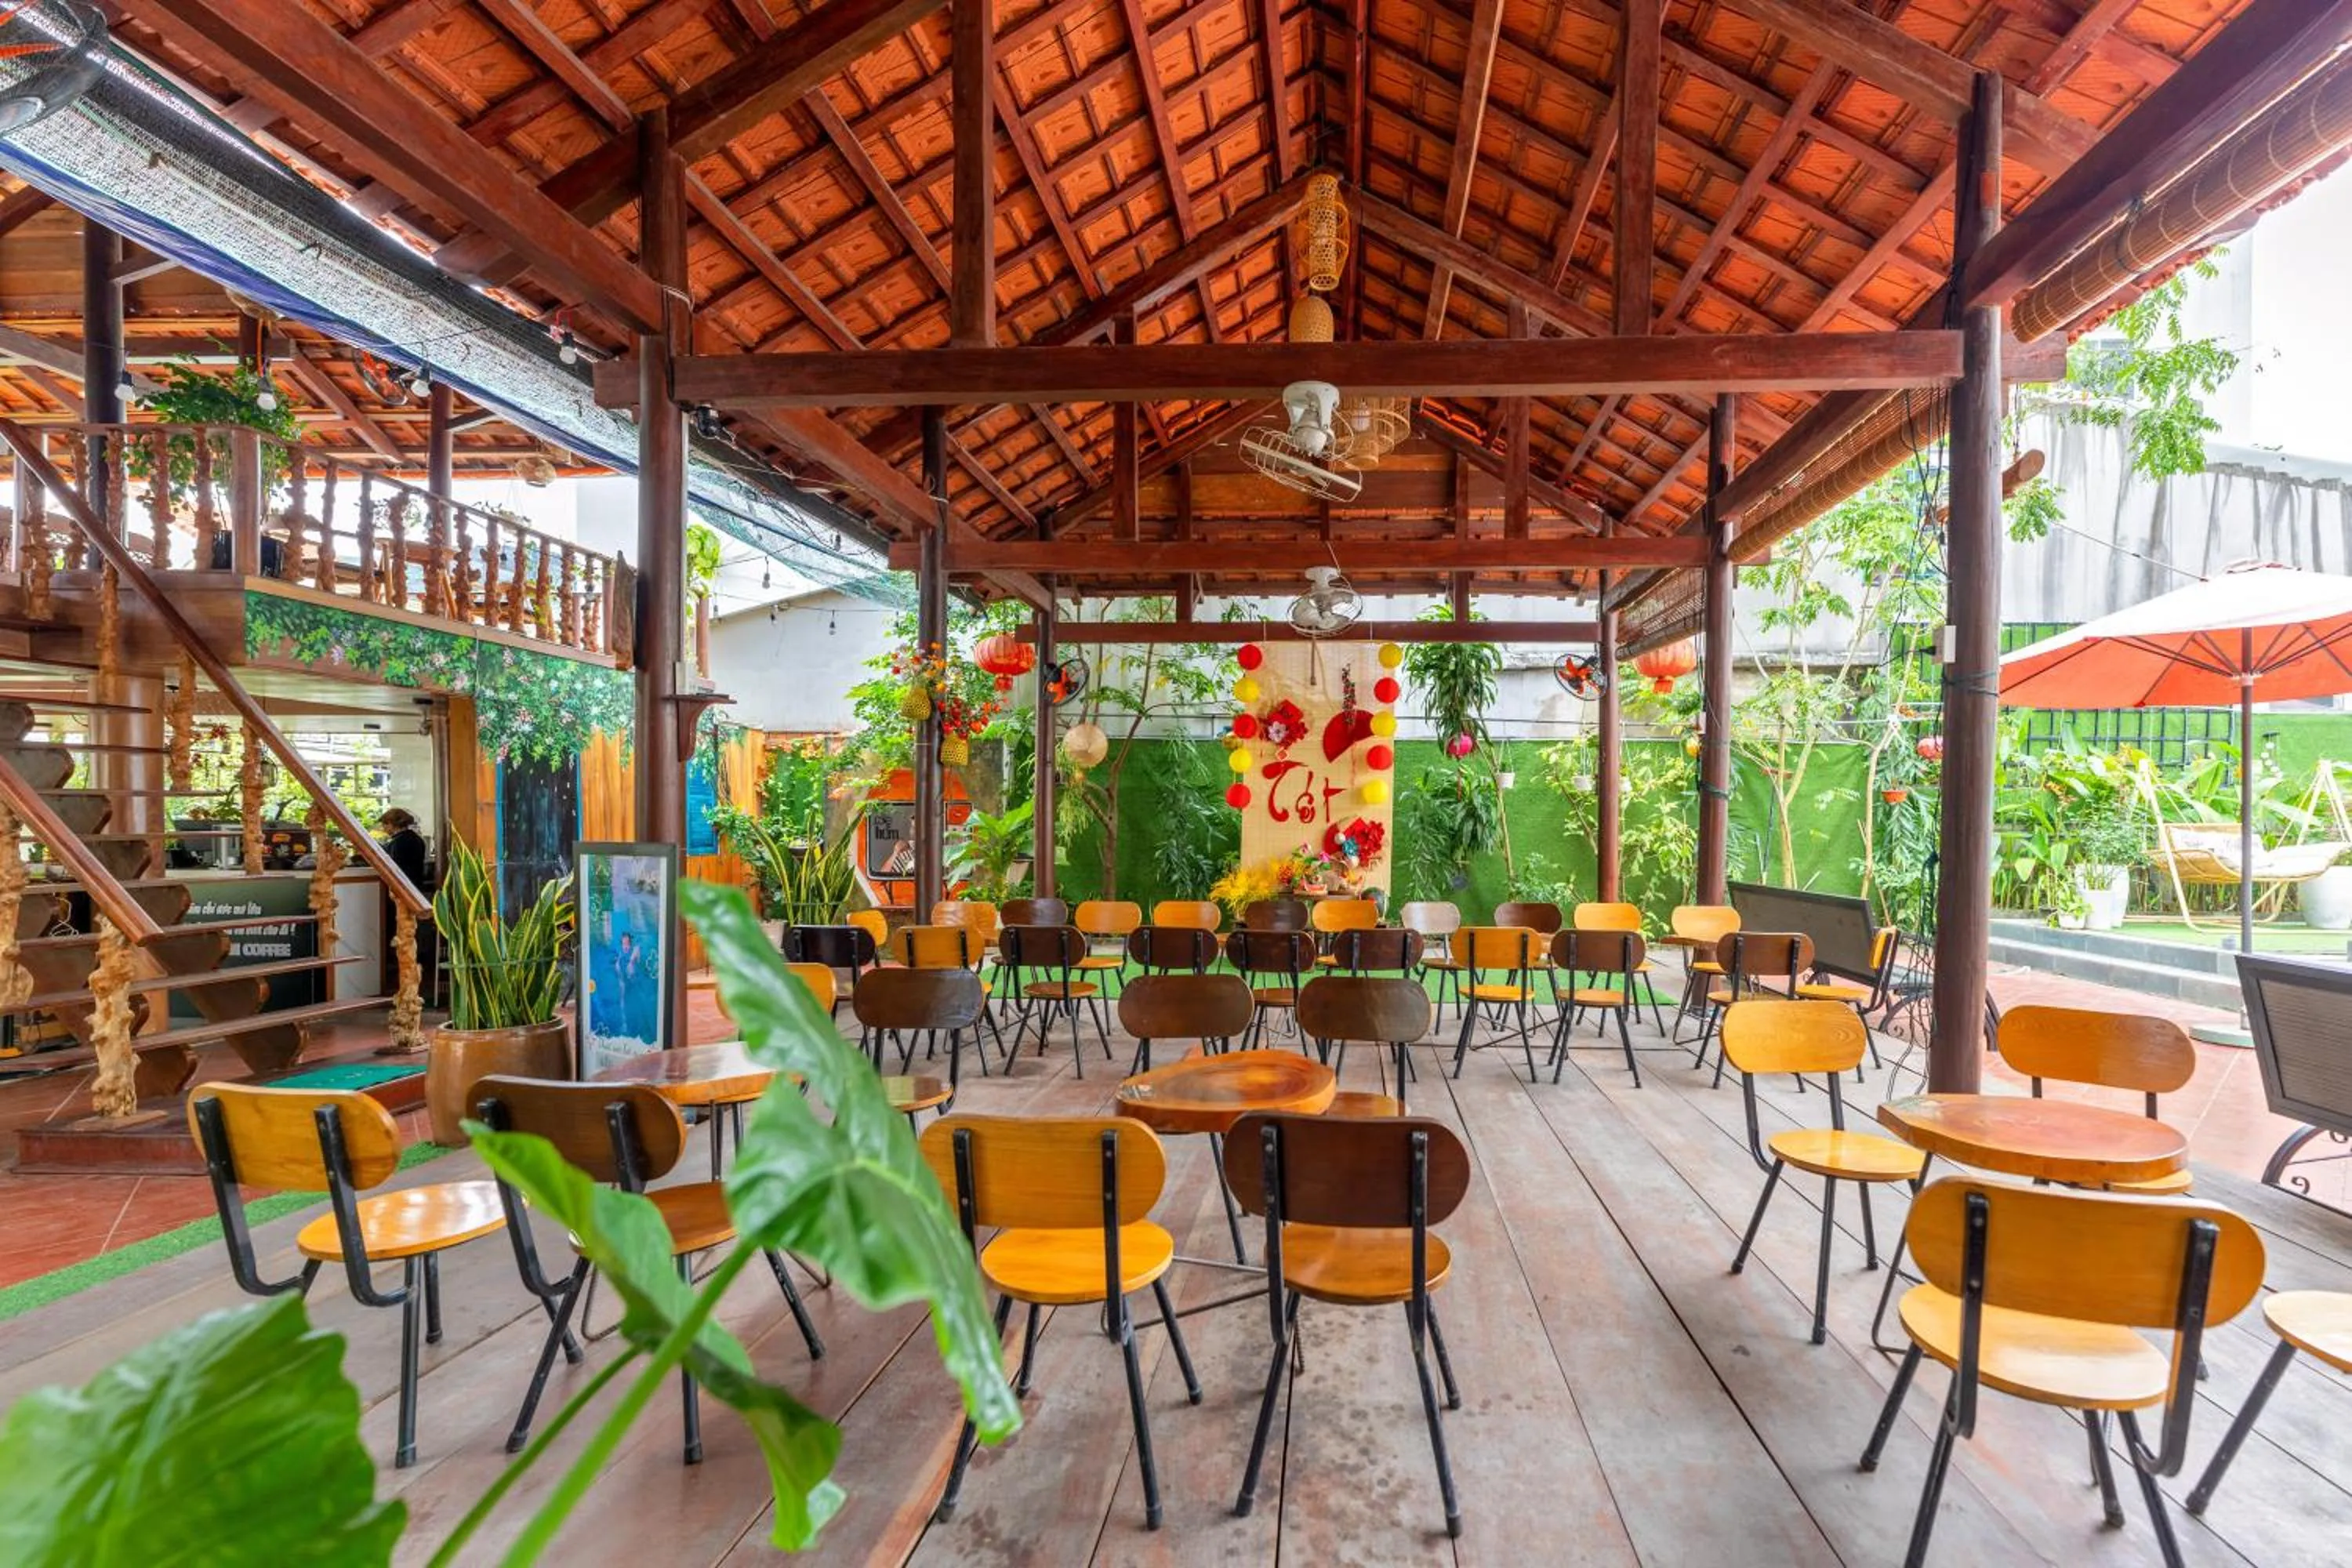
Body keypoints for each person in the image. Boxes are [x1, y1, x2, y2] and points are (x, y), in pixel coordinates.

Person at [378, 808, 430, 889]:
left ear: (392, 824)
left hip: (403, 887)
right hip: (415, 884)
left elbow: (394, 866)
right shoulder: (416, 838)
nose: (383, 828)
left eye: (385, 824)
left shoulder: (398, 842)